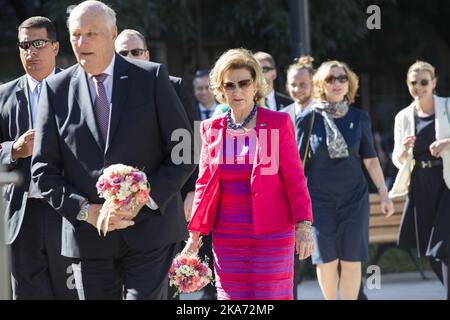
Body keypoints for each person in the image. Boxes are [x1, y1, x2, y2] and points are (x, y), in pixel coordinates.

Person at [31, 1, 195, 300]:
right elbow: (44, 171)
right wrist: (85, 210)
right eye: (76, 35)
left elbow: (184, 152)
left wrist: (145, 199)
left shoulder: (152, 78)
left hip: (150, 233)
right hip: (89, 238)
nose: (82, 43)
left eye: (92, 34)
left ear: (112, 33)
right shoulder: (56, 90)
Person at [183, 48, 314, 300]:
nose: (237, 90)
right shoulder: (211, 129)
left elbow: (295, 180)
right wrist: (194, 237)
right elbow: (203, 186)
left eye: (244, 83)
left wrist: (304, 225)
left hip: (272, 234)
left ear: (256, 84)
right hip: (228, 236)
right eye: (229, 85)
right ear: (221, 90)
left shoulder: (276, 123)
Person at [296, 60, 394, 300]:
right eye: (331, 78)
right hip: (319, 201)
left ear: (348, 83)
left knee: (352, 260)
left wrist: (383, 192)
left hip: (354, 199)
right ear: (321, 84)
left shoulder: (360, 118)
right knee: (326, 261)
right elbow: (296, 166)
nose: (337, 83)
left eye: (342, 78)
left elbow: (370, 159)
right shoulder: (308, 119)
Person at [0, 16, 79, 300]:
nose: (30, 52)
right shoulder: (4, 96)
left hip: (68, 212)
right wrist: (13, 150)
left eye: (38, 43)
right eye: (24, 45)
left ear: (56, 47)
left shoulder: (78, 89)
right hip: (24, 216)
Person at [390, 61, 450, 299]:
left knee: (443, 247)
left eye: (424, 82)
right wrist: (403, 152)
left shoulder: (447, 107)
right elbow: (398, 159)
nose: (419, 87)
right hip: (421, 185)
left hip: (446, 183)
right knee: (430, 250)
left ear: (433, 83)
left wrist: (448, 143)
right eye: (413, 82)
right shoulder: (403, 116)